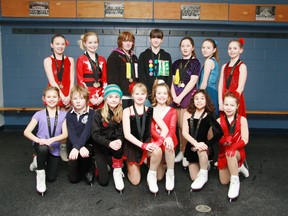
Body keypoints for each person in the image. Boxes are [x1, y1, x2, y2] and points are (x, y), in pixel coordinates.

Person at [122, 83, 168, 195]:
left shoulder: (151, 110)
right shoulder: (127, 111)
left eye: (142, 93)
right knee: (135, 181)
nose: (139, 96)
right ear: (132, 95)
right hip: (133, 146)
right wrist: (142, 145)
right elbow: (127, 134)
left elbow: (165, 129)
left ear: (146, 95)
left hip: (147, 144)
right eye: (137, 93)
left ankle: (151, 174)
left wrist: (159, 141)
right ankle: (127, 168)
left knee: (159, 177)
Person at [24, 86, 68, 196]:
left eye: (54, 97)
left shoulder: (63, 115)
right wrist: (39, 140)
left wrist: (51, 140)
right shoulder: (39, 114)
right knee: (43, 149)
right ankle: (40, 173)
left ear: (59, 99)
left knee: (51, 178)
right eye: (49, 97)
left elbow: (65, 134)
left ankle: (36, 161)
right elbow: (27, 132)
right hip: (41, 145)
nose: (51, 99)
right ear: (44, 99)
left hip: (54, 147)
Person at [182, 89, 223, 191]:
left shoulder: (208, 116)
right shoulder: (187, 114)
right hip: (192, 147)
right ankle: (203, 166)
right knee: (194, 178)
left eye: (202, 98)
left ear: (206, 101)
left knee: (202, 150)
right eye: (196, 99)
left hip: (203, 148)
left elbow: (220, 133)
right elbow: (184, 133)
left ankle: (204, 170)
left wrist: (206, 144)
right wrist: (196, 143)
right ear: (193, 101)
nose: (199, 101)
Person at [43, 34, 74, 162]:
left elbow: (72, 80)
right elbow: (52, 80)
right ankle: (48, 148)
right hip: (54, 95)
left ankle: (62, 147)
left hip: (68, 94)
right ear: (52, 45)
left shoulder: (70, 59)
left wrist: (69, 96)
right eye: (57, 44)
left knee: (65, 124)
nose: (60, 46)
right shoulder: (48, 60)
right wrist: (62, 96)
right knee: (53, 122)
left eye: (62, 44)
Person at [171, 37, 200, 167]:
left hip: (187, 96)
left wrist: (180, 97)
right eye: (183, 46)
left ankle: (185, 152)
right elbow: (172, 82)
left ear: (192, 47)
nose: (185, 48)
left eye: (188, 46)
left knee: (185, 126)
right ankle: (181, 151)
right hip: (176, 96)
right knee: (177, 126)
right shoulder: (176, 63)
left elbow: (192, 82)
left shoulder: (196, 63)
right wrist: (174, 96)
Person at [91, 84, 125, 193]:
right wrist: (108, 143)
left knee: (119, 145)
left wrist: (119, 140)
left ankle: (117, 169)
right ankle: (99, 163)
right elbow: (95, 135)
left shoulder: (121, 113)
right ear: (105, 98)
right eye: (110, 97)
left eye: (116, 97)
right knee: (103, 181)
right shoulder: (97, 113)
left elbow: (121, 132)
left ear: (120, 99)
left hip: (114, 147)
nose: (113, 99)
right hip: (101, 147)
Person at [217, 92, 249, 201]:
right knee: (224, 181)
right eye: (226, 105)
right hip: (223, 153)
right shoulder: (218, 121)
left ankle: (235, 181)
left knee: (230, 154)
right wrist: (223, 141)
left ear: (237, 106)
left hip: (237, 152)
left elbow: (245, 139)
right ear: (223, 105)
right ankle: (238, 168)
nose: (229, 108)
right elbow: (217, 139)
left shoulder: (242, 120)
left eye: (232, 105)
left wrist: (234, 146)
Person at [150, 79, 177, 194]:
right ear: (155, 95)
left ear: (168, 95)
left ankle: (170, 173)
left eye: (165, 93)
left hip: (167, 140)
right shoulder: (151, 110)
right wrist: (160, 139)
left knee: (169, 145)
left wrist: (168, 137)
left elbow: (172, 127)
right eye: (159, 93)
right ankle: (156, 170)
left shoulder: (172, 110)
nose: (162, 96)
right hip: (156, 140)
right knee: (159, 177)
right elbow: (151, 129)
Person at [66, 85, 95, 186]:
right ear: (71, 101)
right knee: (74, 179)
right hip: (73, 145)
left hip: (87, 144)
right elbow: (71, 133)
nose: (78, 101)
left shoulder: (92, 113)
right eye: (75, 98)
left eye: (81, 98)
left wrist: (80, 147)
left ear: (86, 100)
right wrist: (76, 148)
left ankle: (90, 166)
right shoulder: (69, 114)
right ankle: (77, 163)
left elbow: (87, 132)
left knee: (84, 155)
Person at [138, 29, 172, 104]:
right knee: (148, 115)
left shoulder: (166, 56)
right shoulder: (143, 55)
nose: (156, 40)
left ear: (162, 40)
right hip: (147, 96)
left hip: (163, 97)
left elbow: (169, 77)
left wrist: (164, 93)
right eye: (153, 37)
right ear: (149, 39)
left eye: (158, 38)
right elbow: (142, 76)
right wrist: (150, 94)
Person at [107, 31, 138, 108]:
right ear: (120, 42)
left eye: (130, 41)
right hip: (121, 97)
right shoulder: (114, 57)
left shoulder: (134, 58)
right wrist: (117, 96)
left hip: (133, 96)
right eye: (125, 41)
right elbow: (112, 80)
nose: (128, 43)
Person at [76, 32, 107, 109]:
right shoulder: (81, 59)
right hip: (87, 97)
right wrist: (89, 97)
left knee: (100, 120)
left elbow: (105, 80)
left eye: (95, 42)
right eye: (90, 42)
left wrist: (102, 97)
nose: (93, 45)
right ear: (85, 43)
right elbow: (80, 81)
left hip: (100, 98)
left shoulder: (102, 60)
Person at [218, 38, 247, 117]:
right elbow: (220, 86)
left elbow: (240, 88)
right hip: (225, 101)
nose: (232, 50)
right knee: (223, 126)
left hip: (235, 101)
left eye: (235, 48)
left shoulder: (242, 66)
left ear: (241, 50)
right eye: (230, 48)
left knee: (236, 126)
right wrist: (221, 102)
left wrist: (232, 103)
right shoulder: (224, 66)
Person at [199, 38, 220, 116]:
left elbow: (204, 81)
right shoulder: (214, 61)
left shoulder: (209, 61)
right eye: (203, 47)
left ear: (214, 50)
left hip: (208, 92)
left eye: (208, 48)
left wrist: (200, 94)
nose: (205, 50)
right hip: (212, 91)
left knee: (207, 118)